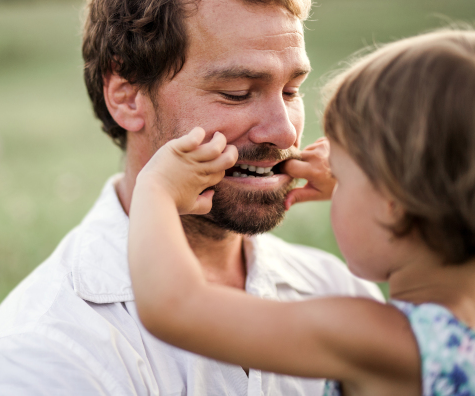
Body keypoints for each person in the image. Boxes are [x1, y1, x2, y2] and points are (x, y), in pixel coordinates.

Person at [0, 0, 382, 394]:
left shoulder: (338, 289)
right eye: (236, 92)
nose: (286, 132)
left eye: (292, 91)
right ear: (127, 97)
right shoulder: (43, 350)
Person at [128, 30, 475, 396]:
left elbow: (177, 308)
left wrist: (157, 189)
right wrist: (360, 185)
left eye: (339, 176)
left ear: (394, 203)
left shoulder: (377, 337)